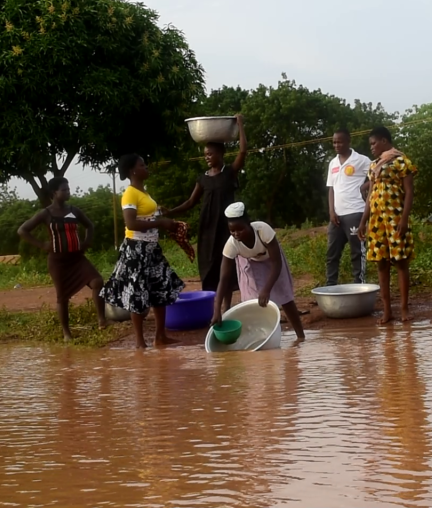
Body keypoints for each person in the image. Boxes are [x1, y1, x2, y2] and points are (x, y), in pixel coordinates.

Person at [100, 154, 185, 349]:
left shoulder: (143, 193)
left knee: (161, 289)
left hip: (151, 248)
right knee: (137, 294)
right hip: (136, 249)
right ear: (133, 171)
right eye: (142, 165)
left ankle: (160, 336)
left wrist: (160, 213)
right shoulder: (130, 193)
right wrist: (161, 223)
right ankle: (140, 342)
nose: (146, 168)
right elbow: (131, 223)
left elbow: (144, 215)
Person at [165, 114, 247, 311]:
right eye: (205, 155)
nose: (207, 157)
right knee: (209, 267)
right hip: (208, 228)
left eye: (210, 154)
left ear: (220, 153)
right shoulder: (202, 178)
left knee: (226, 267)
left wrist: (240, 125)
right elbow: (191, 202)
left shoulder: (229, 173)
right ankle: (214, 307)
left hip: (226, 228)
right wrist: (171, 212)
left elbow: (243, 151)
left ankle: (227, 307)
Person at [17, 177, 107, 341]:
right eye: (64, 190)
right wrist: (43, 245)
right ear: (54, 193)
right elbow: (22, 231)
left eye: (68, 189)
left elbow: (90, 225)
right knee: (62, 297)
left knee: (97, 282)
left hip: (77, 258)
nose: (67, 192)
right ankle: (66, 333)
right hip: (58, 261)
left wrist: (87, 242)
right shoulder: (46, 213)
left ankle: (102, 319)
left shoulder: (74, 210)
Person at [211, 202, 306, 340]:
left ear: (248, 223)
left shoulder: (263, 230)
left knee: (284, 295)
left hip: (271, 260)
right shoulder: (231, 245)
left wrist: (266, 289)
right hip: (249, 263)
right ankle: (261, 338)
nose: (236, 234)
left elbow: (276, 263)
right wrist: (217, 310)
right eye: (232, 231)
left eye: (240, 229)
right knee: (253, 301)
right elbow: (224, 279)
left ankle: (301, 337)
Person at [357, 126, 417, 324]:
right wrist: (363, 221)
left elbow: (409, 192)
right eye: (370, 145)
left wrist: (404, 219)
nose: (372, 148)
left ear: (384, 141)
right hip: (376, 221)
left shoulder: (402, 161)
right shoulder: (374, 165)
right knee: (381, 264)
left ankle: (404, 309)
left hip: (396, 219)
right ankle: (387, 311)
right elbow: (371, 195)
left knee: (401, 263)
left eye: (374, 143)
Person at [325, 127, 372, 286]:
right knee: (332, 253)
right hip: (336, 216)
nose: (336, 145)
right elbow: (331, 188)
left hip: (355, 212)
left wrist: (364, 186)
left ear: (348, 141)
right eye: (334, 142)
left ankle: (360, 285)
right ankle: (330, 286)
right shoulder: (332, 163)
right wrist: (331, 211)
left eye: (340, 141)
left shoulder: (361, 160)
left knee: (357, 252)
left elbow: (377, 175)